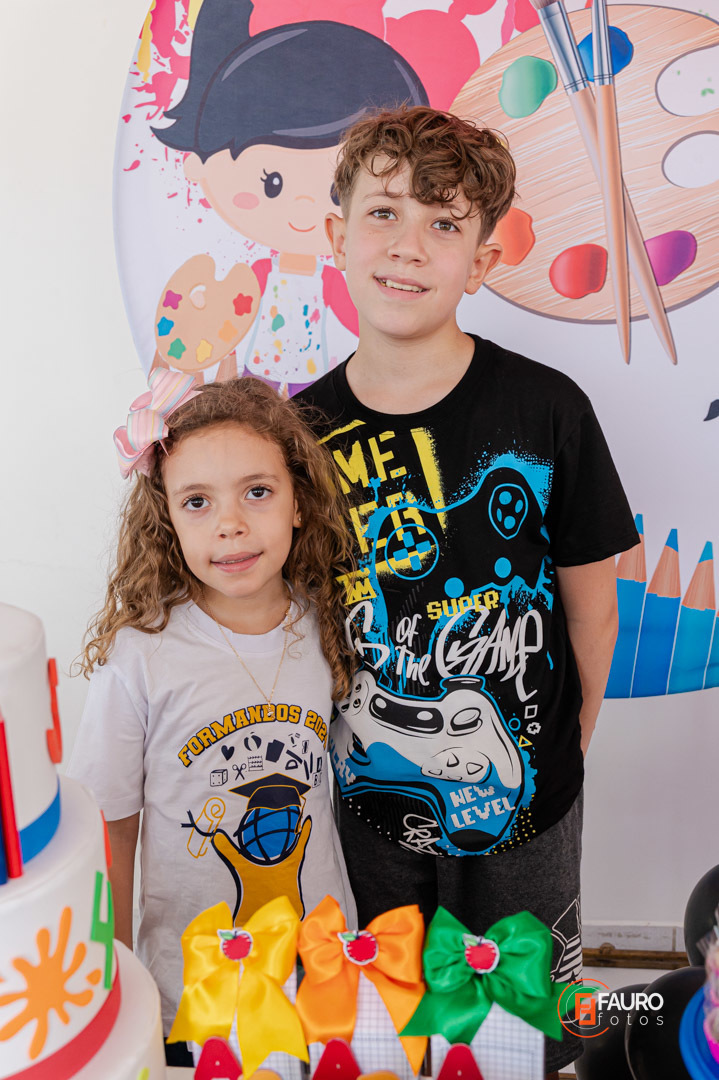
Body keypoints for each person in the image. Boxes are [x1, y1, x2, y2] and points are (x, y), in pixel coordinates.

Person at [296, 105, 639, 1077]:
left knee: (524, 1028)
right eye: (384, 213)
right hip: (367, 806)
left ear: (482, 261)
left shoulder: (547, 410)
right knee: (394, 1026)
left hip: (526, 806)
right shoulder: (297, 433)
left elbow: (592, 613)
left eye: (442, 223)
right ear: (336, 235)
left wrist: (563, 752)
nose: (407, 246)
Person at [68, 372, 357, 1065]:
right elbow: (111, 826)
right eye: (197, 501)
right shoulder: (139, 656)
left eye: (257, 492)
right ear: (166, 518)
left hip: (319, 976)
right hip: (196, 995)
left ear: (298, 502)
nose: (230, 524)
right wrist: (113, 977)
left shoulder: (326, 623)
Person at [150, 0, 427, 392]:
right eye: (271, 183)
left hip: (315, 379)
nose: (304, 211)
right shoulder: (257, 277)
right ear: (200, 165)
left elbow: (358, 318)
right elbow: (233, 323)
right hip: (257, 373)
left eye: (338, 191)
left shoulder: (336, 280)